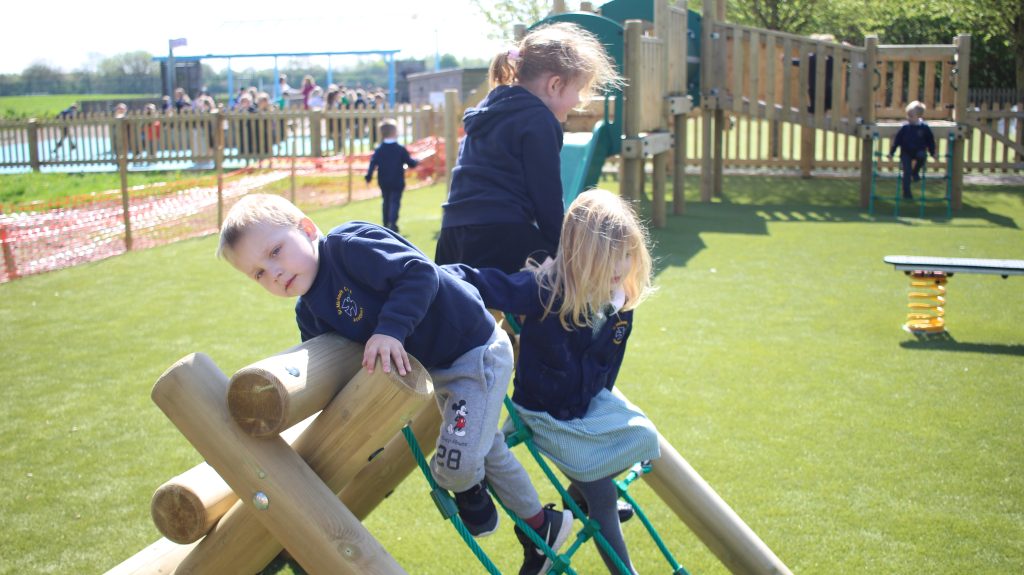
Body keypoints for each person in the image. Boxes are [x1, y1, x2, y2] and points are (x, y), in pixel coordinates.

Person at [216, 194, 574, 575]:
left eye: (275, 251)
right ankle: (541, 526)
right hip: (441, 370)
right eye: (258, 273)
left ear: (306, 229)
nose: (274, 272)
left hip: (474, 352)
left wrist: (390, 330)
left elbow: (419, 272)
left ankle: (470, 495)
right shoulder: (309, 312)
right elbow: (336, 370)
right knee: (487, 449)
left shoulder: (348, 246)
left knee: (454, 462)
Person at [446, 189, 661, 574]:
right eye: (609, 256)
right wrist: (429, 275)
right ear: (581, 255)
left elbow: (608, 369)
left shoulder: (618, 306)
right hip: (543, 411)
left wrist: (599, 413)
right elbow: (480, 281)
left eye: (627, 254)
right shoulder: (546, 291)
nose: (620, 266)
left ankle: (579, 497)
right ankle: (605, 536)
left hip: (582, 406)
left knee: (645, 436)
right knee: (602, 496)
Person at [434, 21, 622, 274]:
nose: (579, 100)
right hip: (499, 234)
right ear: (554, 85)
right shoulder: (538, 119)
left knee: (469, 308)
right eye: (579, 89)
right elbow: (546, 194)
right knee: (570, 277)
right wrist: (560, 249)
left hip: (452, 234)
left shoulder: (489, 109)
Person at [365, 120, 419, 233]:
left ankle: (385, 223)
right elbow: (410, 162)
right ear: (394, 133)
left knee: (386, 201)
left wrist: (368, 176)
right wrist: (416, 161)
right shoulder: (400, 149)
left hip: (384, 181)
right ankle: (393, 223)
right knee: (395, 201)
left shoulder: (379, 150)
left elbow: (372, 163)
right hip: (397, 180)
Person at [888, 100, 937, 200]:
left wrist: (933, 153)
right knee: (906, 172)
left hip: (919, 151)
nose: (908, 118)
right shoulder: (905, 128)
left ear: (919, 116)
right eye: (907, 115)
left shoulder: (924, 128)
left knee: (922, 156)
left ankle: (915, 173)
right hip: (906, 153)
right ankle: (907, 193)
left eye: (911, 116)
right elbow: (897, 140)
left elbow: (930, 141)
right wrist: (891, 153)